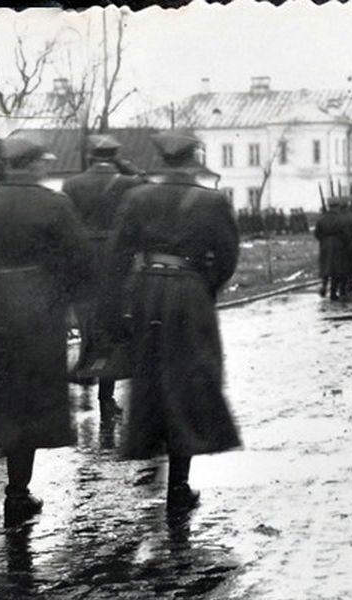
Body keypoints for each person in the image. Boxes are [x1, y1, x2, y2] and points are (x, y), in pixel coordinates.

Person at [109, 131, 241, 512]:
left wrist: (124, 302)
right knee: (190, 381)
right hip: (188, 292)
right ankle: (178, 487)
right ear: (193, 159)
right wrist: (202, 287)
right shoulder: (212, 201)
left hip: (146, 292)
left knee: (150, 379)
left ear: (163, 161)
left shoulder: (137, 198)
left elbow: (117, 256)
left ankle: (152, 454)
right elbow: (227, 258)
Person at [0, 136, 94, 527]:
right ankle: (16, 492)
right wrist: (69, 304)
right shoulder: (54, 204)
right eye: (42, 161)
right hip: (38, 312)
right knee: (27, 404)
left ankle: (7, 484)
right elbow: (80, 261)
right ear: (29, 165)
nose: (46, 166)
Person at [62, 134, 147, 417]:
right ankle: (106, 397)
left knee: (88, 324)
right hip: (117, 262)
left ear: (90, 156)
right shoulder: (130, 183)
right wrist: (128, 167)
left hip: (82, 261)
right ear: (115, 156)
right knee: (112, 327)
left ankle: (85, 373)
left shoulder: (72, 184)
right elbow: (148, 190)